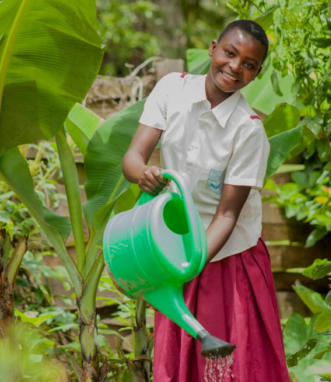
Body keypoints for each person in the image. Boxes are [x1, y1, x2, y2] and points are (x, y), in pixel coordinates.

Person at [122, 20, 290, 381]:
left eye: (249, 64)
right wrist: (142, 174)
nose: (235, 67)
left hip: (229, 257)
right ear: (213, 48)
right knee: (180, 366)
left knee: (239, 368)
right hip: (175, 247)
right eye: (230, 53)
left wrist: (187, 268)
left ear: (257, 73)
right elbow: (133, 158)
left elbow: (228, 215)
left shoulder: (248, 129)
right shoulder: (172, 90)